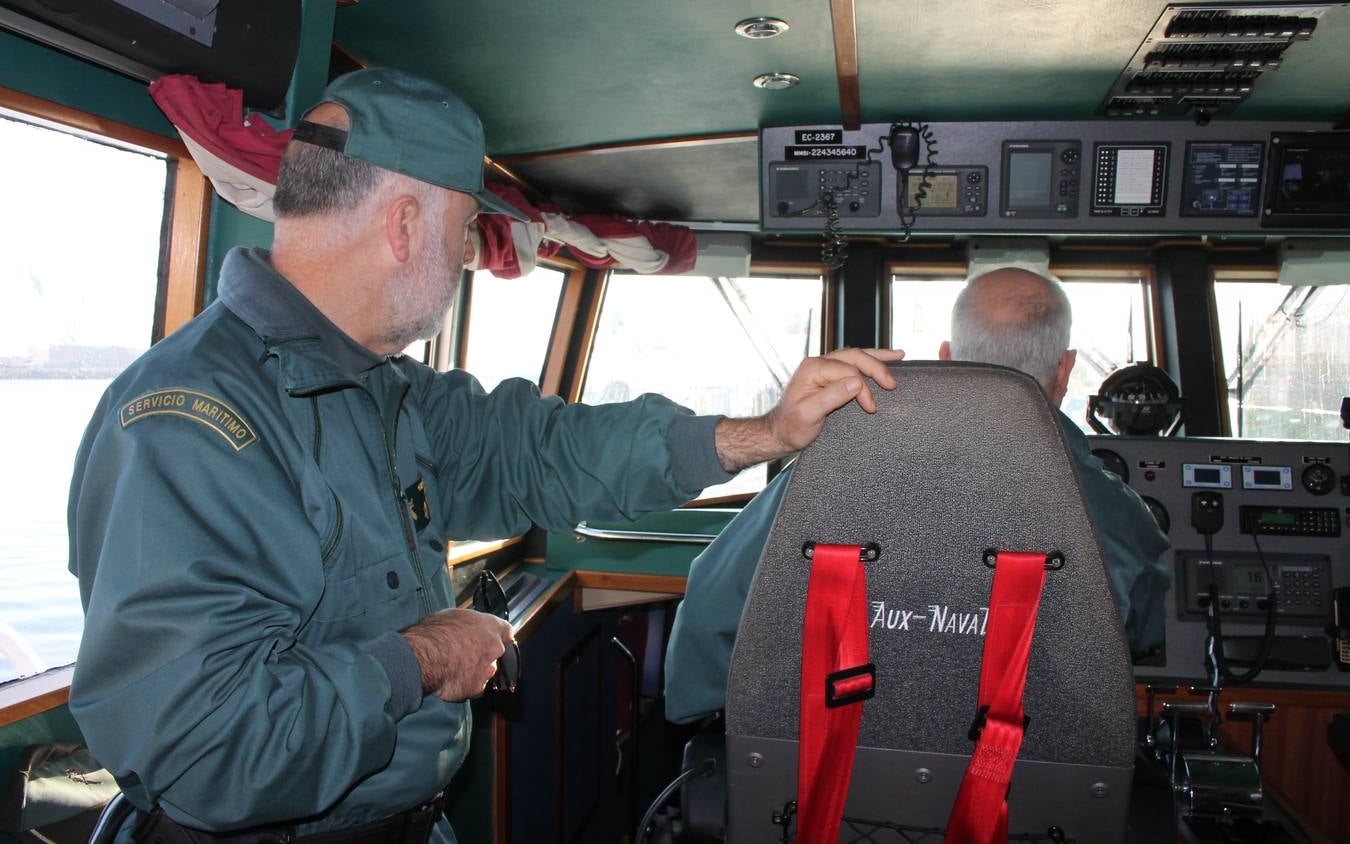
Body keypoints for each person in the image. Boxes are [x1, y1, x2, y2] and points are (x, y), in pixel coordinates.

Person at [66, 68, 902, 843]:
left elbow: (545, 449)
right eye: (466, 233)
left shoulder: (385, 388)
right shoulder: (194, 425)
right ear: (403, 224)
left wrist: (765, 434)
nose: (468, 260)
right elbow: (208, 750)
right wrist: (424, 657)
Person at [664, 266, 1172, 725]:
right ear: (1065, 370)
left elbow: (712, 606)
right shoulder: (1113, 514)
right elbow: (1142, 635)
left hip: (824, 783)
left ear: (948, 357)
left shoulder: (829, 471)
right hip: (1032, 794)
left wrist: (716, 727)